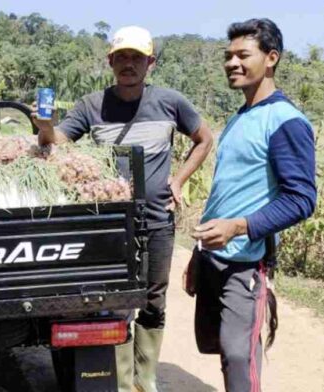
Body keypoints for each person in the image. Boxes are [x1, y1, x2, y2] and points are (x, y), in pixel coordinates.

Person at [32, 25, 214, 392]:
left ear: (151, 63)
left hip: (158, 219)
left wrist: (177, 181)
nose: (128, 64)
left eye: (136, 58)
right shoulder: (90, 106)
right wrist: (45, 127)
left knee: (153, 296)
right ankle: (119, 381)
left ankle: (145, 381)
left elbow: (204, 139)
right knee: (114, 299)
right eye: (121, 58)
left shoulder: (170, 102)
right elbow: (56, 146)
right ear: (110, 62)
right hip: (110, 223)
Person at [185, 18, 316, 392]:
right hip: (215, 256)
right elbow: (227, 192)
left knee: (240, 353)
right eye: (228, 56)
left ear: (271, 58)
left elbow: (302, 199)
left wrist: (239, 227)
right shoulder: (240, 118)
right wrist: (198, 253)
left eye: (243, 54)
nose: (231, 63)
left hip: (247, 260)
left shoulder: (285, 121)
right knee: (224, 350)